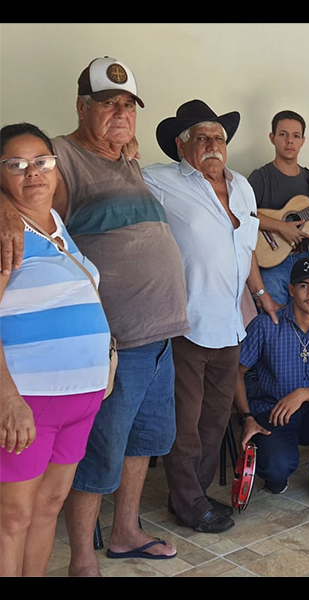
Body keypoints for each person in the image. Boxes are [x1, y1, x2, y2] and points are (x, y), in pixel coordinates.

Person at [0, 57, 190, 573]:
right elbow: (21, 183)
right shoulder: (57, 156)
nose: (121, 114)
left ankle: (125, 531)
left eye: (128, 105)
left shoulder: (128, 158)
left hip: (155, 337)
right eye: (108, 104)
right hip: (114, 344)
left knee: (140, 444)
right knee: (97, 457)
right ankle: (83, 556)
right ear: (83, 108)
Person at [143, 100, 278, 533]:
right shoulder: (160, 179)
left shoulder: (242, 187)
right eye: (200, 138)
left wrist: (260, 293)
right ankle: (189, 503)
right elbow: (114, 187)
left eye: (217, 137)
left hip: (230, 324)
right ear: (182, 146)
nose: (211, 145)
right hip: (186, 322)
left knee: (215, 419)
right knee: (186, 421)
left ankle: (193, 496)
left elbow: (247, 248)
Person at [0, 123, 110, 577]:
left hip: (80, 399)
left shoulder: (57, 224)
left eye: (42, 162)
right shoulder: (7, 232)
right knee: (13, 519)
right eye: (17, 165)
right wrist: (7, 398)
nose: (33, 173)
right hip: (29, 401)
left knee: (48, 509)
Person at [233, 257, 309, 508]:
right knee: (276, 471)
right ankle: (276, 471)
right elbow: (235, 372)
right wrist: (247, 417)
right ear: (291, 290)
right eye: (304, 285)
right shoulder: (267, 325)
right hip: (273, 410)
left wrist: (302, 394)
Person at [248, 110, 309, 306]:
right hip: (270, 261)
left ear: (303, 141)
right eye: (283, 134)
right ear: (272, 138)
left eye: (296, 136)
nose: (289, 141)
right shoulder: (260, 177)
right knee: (273, 321)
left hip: (304, 258)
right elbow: (244, 216)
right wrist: (281, 227)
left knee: (306, 318)